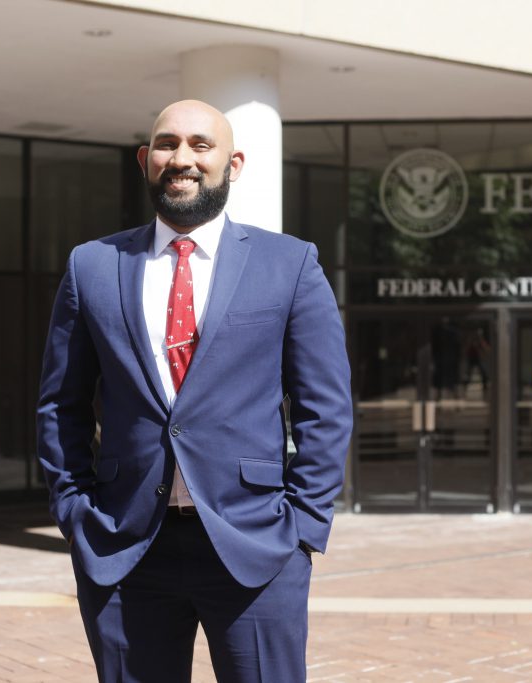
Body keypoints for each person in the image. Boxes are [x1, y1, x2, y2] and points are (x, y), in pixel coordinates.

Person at [36, 99, 353, 682]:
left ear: (232, 163)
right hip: (124, 547)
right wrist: (74, 511)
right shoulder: (92, 266)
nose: (182, 158)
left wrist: (303, 524)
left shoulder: (291, 264)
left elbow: (325, 408)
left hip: (255, 546)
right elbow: (61, 403)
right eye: (167, 144)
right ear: (144, 159)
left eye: (201, 145)